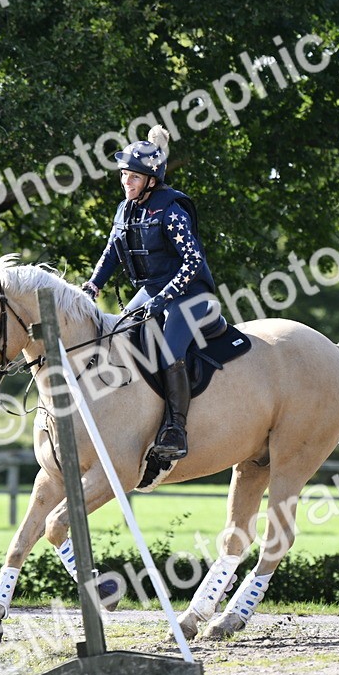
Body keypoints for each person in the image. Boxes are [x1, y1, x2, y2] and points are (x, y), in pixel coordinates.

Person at [82, 125, 219, 462]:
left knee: (169, 351)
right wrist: (93, 285)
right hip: (153, 290)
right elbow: (111, 252)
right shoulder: (125, 209)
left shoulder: (171, 211)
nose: (126, 182)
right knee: (117, 335)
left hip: (190, 292)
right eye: (124, 175)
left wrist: (165, 297)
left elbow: (193, 261)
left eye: (134, 177)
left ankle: (176, 429)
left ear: (151, 181)